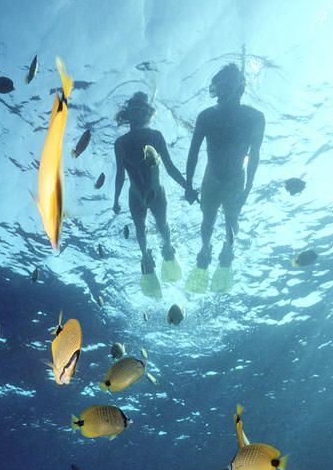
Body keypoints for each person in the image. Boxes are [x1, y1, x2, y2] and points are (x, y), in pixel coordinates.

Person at [184, 63, 265, 293]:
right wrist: (188, 185)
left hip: (230, 179)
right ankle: (207, 248)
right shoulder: (212, 116)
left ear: (238, 87)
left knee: (228, 221)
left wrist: (248, 187)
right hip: (221, 178)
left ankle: (222, 249)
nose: (222, 91)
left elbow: (255, 154)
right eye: (221, 86)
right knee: (211, 221)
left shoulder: (253, 118)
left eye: (226, 86)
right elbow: (193, 153)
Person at [113, 92, 187, 297]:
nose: (138, 114)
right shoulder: (120, 143)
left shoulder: (156, 136)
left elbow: (170, 168)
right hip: (135, 193)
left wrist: (187, 187)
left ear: (147, 113)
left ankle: (167, 248)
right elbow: (119, 174)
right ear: (129, 114)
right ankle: (146, 256)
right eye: (135, 110)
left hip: (155, 191)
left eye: (142, 110)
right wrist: (115, 199)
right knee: (140, 228)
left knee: (162, 226)